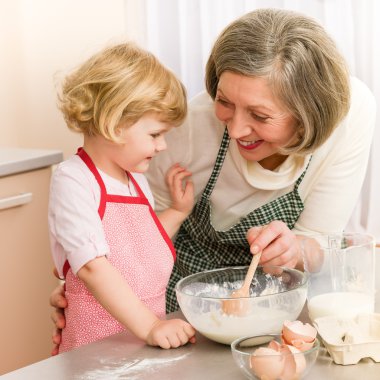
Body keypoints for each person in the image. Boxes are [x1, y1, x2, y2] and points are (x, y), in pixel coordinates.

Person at [50, 7, 376, 346]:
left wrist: (294, 251)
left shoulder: (352, 116)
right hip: (182, 316)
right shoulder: (184, 129)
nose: (235, 129)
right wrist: (90, 289)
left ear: (310, 115)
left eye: (260, 115)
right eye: (224, 102)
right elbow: (129, 239)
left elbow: (321, 243)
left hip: (276, 311)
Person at [49, 42, 196, 353]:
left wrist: (178, 211)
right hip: (95, 349)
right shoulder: (74, 179)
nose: (163, 146)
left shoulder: (136, 181)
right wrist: (151, 326)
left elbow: (139, 246)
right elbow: (92, 267)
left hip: (142, 344)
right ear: (113, 124)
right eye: (155, 134)